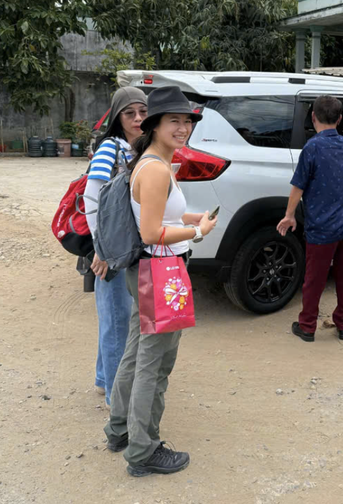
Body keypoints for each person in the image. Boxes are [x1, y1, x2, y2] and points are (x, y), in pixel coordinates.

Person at [103, 85, 217, 477]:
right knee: (156, 360)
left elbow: (158, 219)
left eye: (187, 121)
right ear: (153, 125)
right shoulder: (153, 169)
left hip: (149, 272)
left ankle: (120, 429)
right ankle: (143, 449)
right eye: (174, 121)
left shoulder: (154, 162)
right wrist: (197, 232)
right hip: (160, 271)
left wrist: (191, 219)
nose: (183, 127)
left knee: (137, 352)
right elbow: (151, 233)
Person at [277, 95, 343, 342]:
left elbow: (298, 186)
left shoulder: (312, 147)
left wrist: (289, 215)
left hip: (322, 228)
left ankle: (307, 327)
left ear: (312, 117)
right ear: (340, 119)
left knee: (314, 280)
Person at [84, 87, 148, 408]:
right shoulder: (111, 147)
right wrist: (101, 249)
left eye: (143, 112)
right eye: (129, 113)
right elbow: (91, 196)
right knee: (118, 322)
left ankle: (102, 379)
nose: (137, 118)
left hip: (126, 248)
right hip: (111, 252)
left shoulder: (139, 149)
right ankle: (114, 397)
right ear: (117, 117)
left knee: (113, 317)